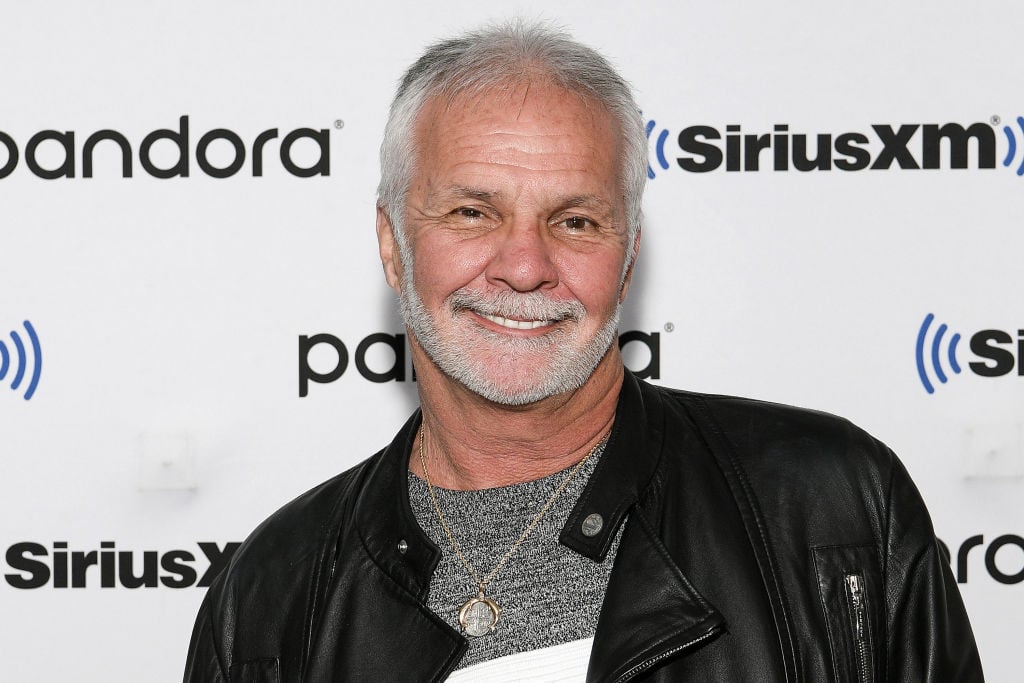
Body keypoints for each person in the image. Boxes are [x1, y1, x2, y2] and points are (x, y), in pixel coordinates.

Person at [185, 20, 984, 682]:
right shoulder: (271, 595)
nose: (524, 266)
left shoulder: (835, 510)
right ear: (394, 246)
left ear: (628, 256)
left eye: (575, 221)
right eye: (471, 212)